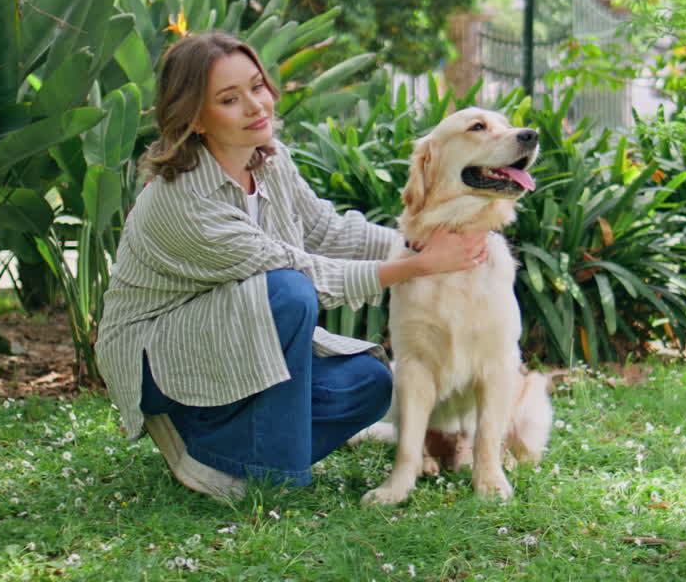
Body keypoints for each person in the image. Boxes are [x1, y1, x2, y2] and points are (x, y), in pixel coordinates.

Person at [97, 31, 488, 500]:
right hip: (158, 356)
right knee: (287, 291)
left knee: (369, 382)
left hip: (233, 332)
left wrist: (421, 242)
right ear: (196, 118)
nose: (255, 106)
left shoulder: (270, 161)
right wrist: (417, 266)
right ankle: (265, 473)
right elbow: (303, 274)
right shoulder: (182, 200)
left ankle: (212, 450)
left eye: (257, 86)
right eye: (228, 99)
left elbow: (327, 231)